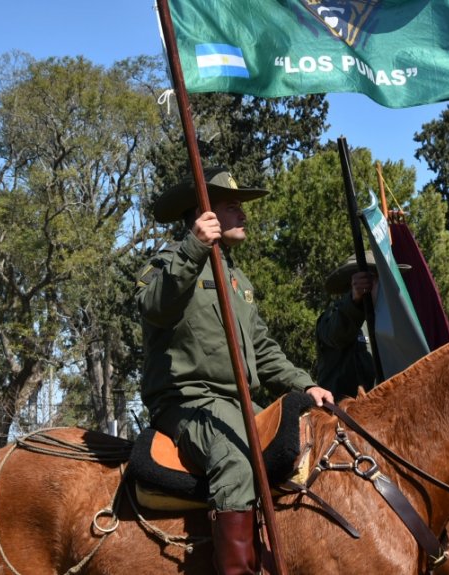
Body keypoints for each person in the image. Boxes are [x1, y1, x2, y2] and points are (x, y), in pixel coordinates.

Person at [136, 166, 334, 575]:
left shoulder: (237, 278)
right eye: (232, 206)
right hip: (188, 402)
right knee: (237, 458)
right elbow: (155, 307)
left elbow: (261, 349)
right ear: (204, 214)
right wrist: (193, 247)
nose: (243, 214)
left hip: (236, 403)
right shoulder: (171, 260)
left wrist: (307, 383)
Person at [315, 252, 409, 400]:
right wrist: (355, 301)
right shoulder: (332, 317)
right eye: (374, 280)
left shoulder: (390, 321)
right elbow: (336, 334)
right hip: (341, 415)